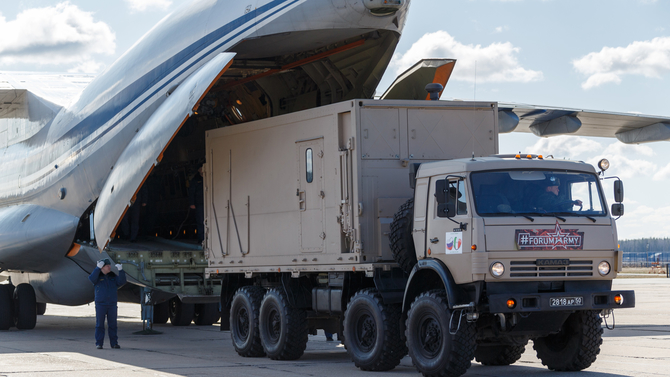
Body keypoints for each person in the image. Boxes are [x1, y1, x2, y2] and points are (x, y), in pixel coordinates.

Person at [88, 259, 126, 349]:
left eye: (109, 265)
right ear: (102, 268)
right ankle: (99, 343)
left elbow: (122, 281)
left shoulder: (112, 276)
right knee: (100, 325)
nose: (109, 267)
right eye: (107, 266)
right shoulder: (97, 277)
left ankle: (114, 343)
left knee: (113, 325)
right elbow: (91, 278)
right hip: (101, 304)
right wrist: (97, 268)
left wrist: (121, 271)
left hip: (112, 304)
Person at [188, 166, 205, 244]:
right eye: (201, 168)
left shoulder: (208, 177)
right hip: (199, 203)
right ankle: (201, 238)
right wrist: (192, 203)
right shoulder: (195, 180)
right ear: (198, 170)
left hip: (207, 202)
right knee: (200, 221)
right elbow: (191, 192)